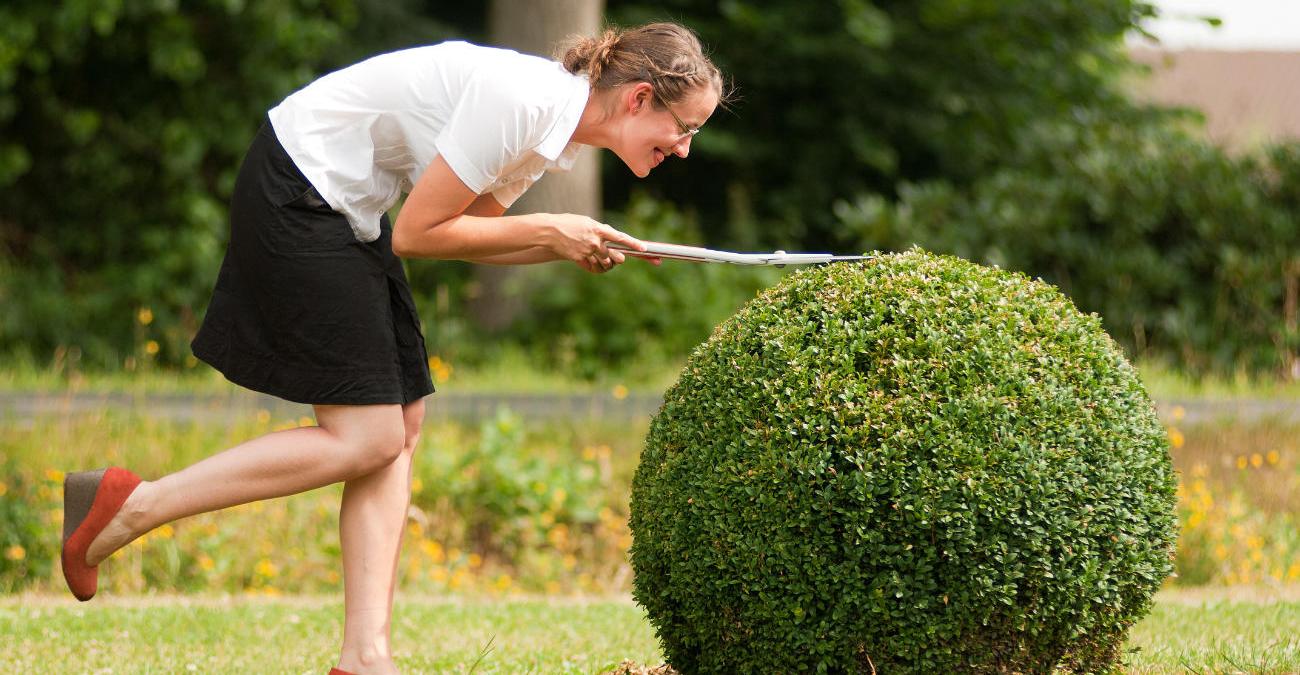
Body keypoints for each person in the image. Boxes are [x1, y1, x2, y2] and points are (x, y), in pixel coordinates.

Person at [59, 21, 727, 675]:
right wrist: (551, 229)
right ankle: (129, 504)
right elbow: (418, 233)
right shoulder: (526, 102)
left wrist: (569, 242)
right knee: (367, 436)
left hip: (346, 205)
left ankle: (364, 658)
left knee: (399, 424)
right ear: (639, 98)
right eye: (685, 128)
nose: (686, 149)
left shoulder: (552, 133)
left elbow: (467, 231)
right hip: (301, 187)